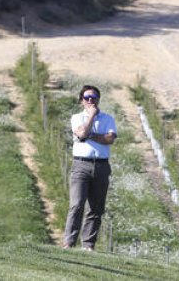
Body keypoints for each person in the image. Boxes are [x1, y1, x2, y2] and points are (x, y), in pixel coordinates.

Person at [63, 85, 117, 252]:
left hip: (101, 165)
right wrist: (92, 116)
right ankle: (69, 242)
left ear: (98, 99)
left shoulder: (108, 119)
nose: (90, 100)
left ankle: (88, 245)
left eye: (93, 97)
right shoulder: (76, 117)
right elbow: (80, 134)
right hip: (81, 165)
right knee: (77, 204)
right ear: (81, 101)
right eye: (87, 97)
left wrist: (90, 136)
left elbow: (110, 138)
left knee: (96, 207)